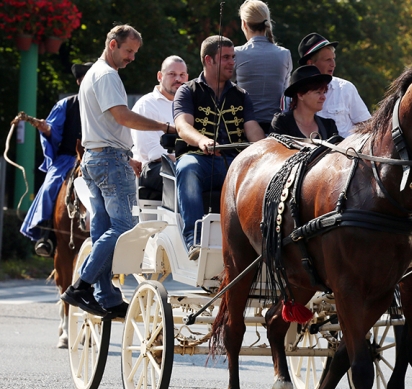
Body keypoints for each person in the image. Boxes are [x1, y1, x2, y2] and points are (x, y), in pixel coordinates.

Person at [61, 25, 177, 319]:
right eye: (128, 51)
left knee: (103, 230)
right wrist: (165, 127)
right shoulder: (107, 75)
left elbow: (112, 123)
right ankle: (82, 285)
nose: (132, 58)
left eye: (135, 53)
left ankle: (107, 298)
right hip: (110, 161)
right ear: (112, 44)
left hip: (96, 159)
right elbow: (122, 116)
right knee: (123, 227)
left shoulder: (93, 75)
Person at [173, 35, 265, 260]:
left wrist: (266, 150)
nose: (232, 62)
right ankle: (194, 241)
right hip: (200, 160)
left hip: (235, 162)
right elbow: (183, 125)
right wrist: (201, 140)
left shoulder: (241, 96)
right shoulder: (188, 91)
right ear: (208, 60)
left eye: (233, 57)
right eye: (225, 57)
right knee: (186, 168)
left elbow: (252, 130)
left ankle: (261, 241)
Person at [20, 62, 93, 257]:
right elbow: (54, 130)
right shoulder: (66, 105)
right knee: (51, 186)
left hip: (101, 158)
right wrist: (46, 129)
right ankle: (46, 235)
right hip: (68, 159)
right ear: (80, 82)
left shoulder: (108, 107)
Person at [131, 56, 189, 193]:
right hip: (152, 168)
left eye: (182, 75)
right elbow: (153, 153)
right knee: (188, 173)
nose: (178, 79)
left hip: (183, 163)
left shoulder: (193, 105)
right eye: (172, 74)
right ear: (159, 76)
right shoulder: (146, 105)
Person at [297, 32, 371, 138]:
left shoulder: (346, 88)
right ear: (310, 63)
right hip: (308, 152)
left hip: (347, 152)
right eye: (328, 60)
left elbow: (367, 126)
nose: (333, 64)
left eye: (333, 59)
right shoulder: (293, 93)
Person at [234, 0, 292, 134]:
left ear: (244, 24)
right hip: (277, 129)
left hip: (243, 129)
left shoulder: (237, 53)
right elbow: (285, 93)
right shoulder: (284, 54)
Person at [270, 65, 338, 139]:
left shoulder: (328, 126)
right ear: (300, 95)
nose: (323, 98)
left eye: (324, 92)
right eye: (318, 92)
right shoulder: (282, 123)